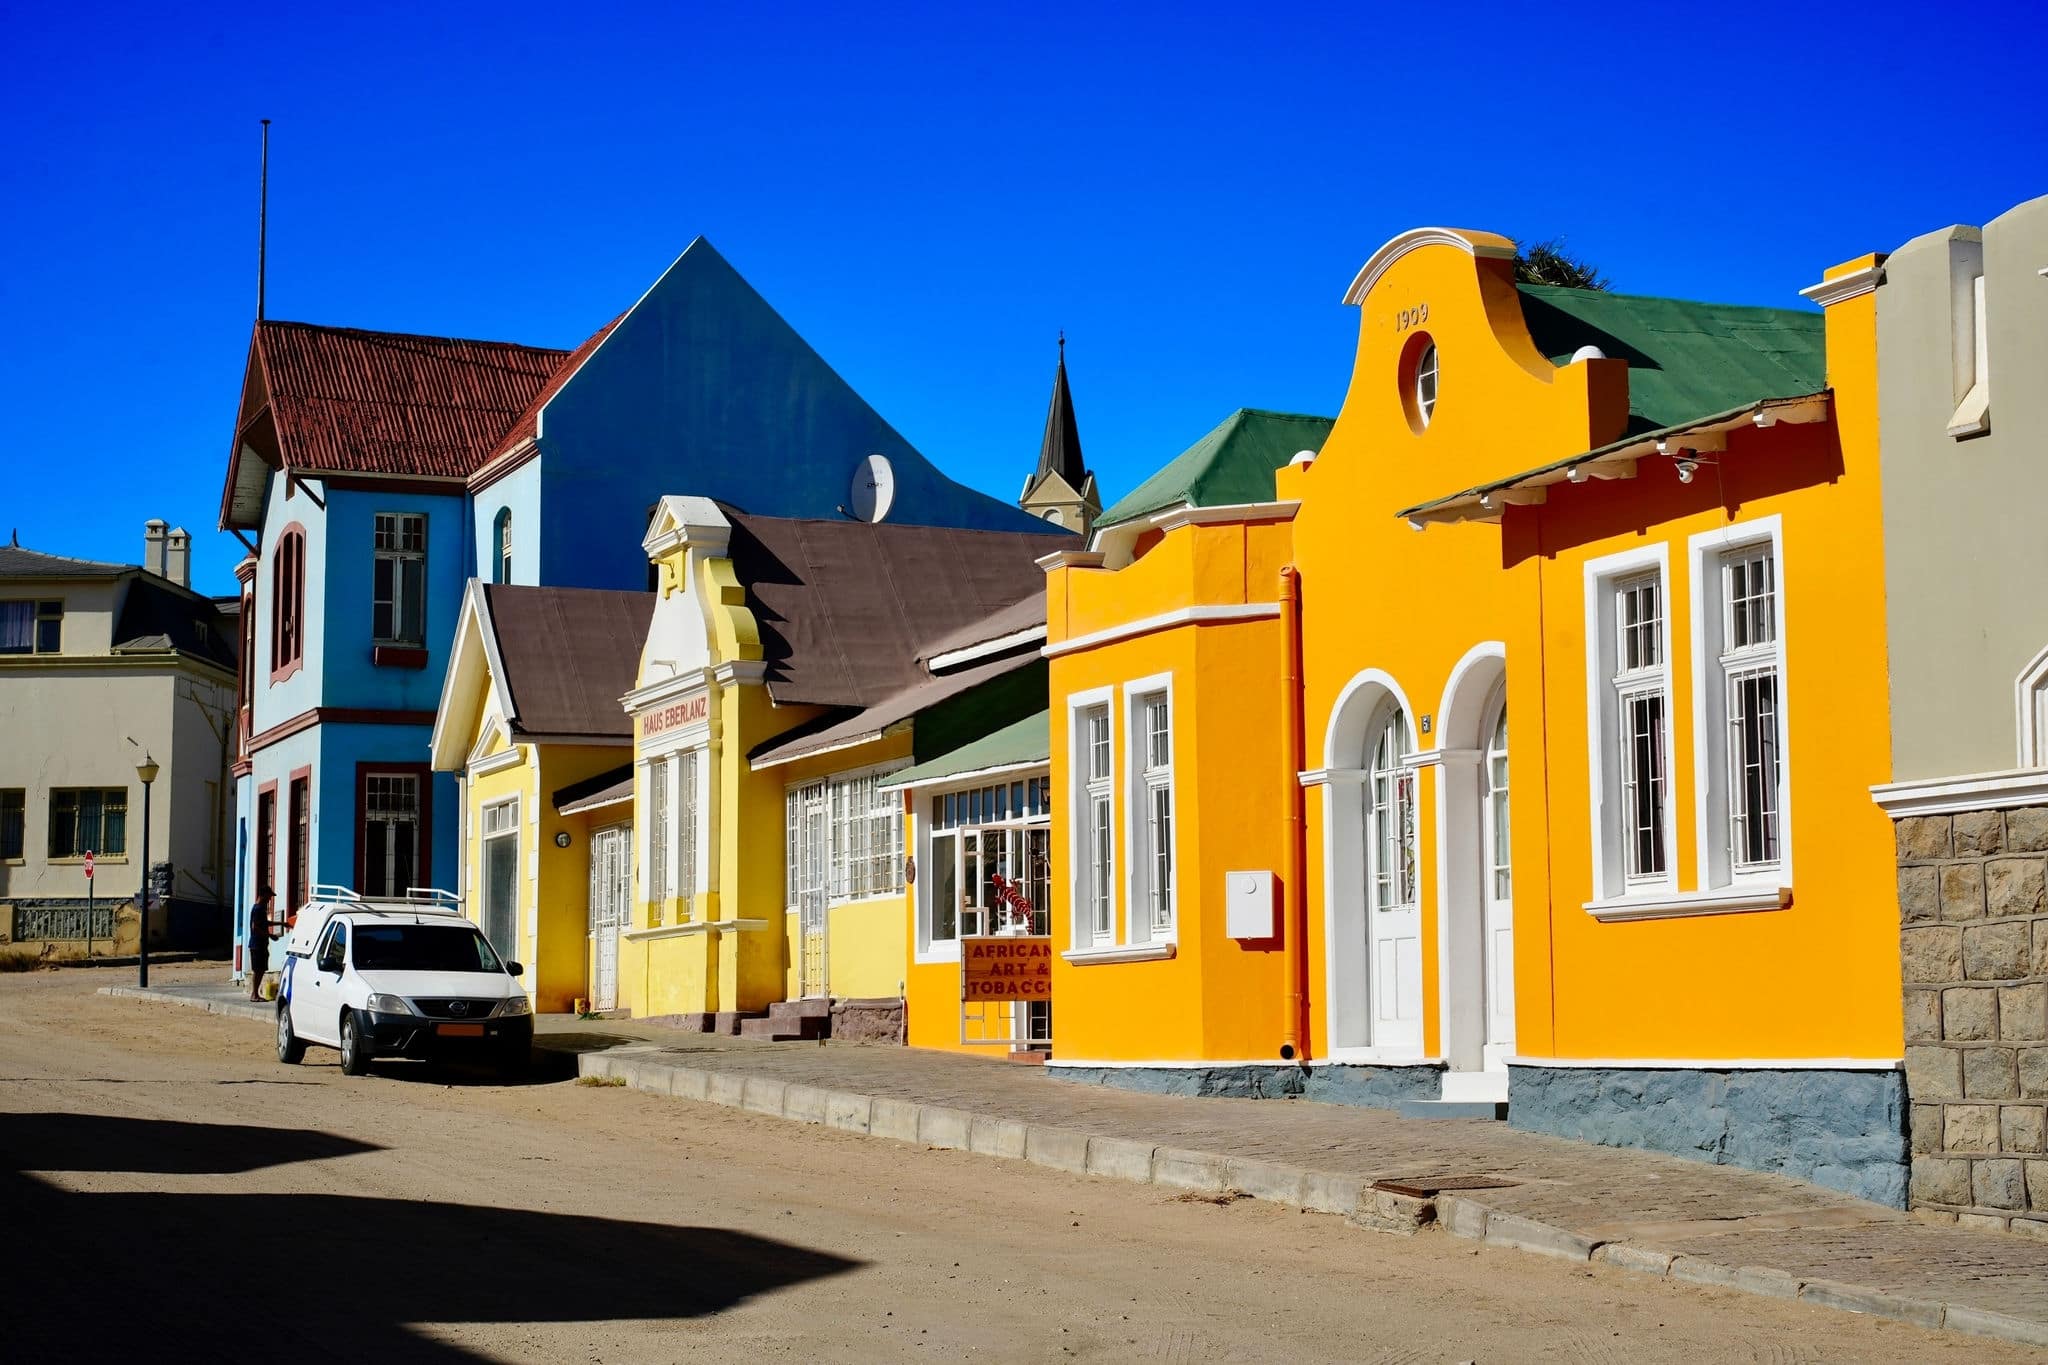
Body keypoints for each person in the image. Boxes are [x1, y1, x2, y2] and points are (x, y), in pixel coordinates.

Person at [246, 886, 277, 1002]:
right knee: (258, 970)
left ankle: (256, 994)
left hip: (261, 944)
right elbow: (255, 927)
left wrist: (281, 924)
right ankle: (254, 995)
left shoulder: (260, 909)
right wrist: (270, 935)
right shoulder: (258, 909)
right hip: (257, 944)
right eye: (269, 896)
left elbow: (265, 923)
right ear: (263, 894)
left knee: (261, 969)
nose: (270, 899)